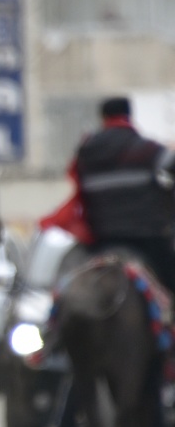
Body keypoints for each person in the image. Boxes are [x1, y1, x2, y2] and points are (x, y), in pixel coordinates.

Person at [70, 96, 175, 292]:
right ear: (128, 115)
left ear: (103, 117)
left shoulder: (87, 150)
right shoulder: (146, 149)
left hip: (101, 238)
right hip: (146, 236)